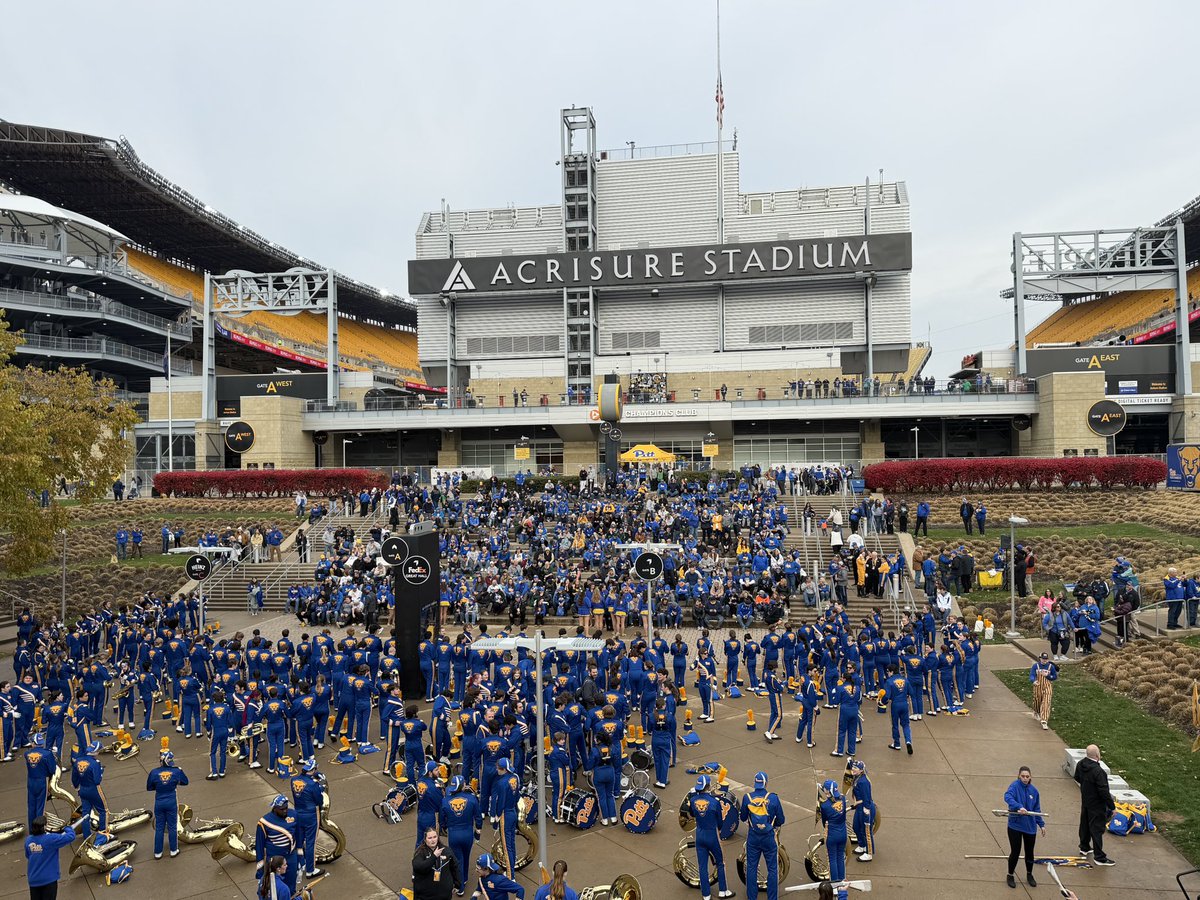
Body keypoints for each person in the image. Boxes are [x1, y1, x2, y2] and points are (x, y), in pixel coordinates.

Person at [687, 775, 735, 900]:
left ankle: (706, 895)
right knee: (720, 862)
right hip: (712, 836)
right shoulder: (715, 802)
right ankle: (723, 891)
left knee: (702, 866)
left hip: (700, 835)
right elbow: (720, 821)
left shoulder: (692, 800)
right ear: (708, 786)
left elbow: (692, 814)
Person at [740, 771, 785, 900]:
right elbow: (781, 819)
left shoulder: (747, 797)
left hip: (753, 837)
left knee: (751, 868)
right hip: (769, 837)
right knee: (772, 869)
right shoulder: (773, 798)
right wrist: (773, 826)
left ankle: (752, 897)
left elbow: (743, 817)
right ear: (766, 783)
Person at [1003, 766, 1045, 888]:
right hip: (1015, 826)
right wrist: (1018, 806)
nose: (1025, 779)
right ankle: (1010, 875)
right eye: (1023, 776)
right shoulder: (1014, 786)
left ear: (1030, 777)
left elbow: (1037, 809)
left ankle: (1029, 874)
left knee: (1029, 852)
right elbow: (1007, 797)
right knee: (1015, 852)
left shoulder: (1034, 791)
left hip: (1030, 827)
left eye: (1027, 776)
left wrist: (1041, 824)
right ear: (1019, 776)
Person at [1074, 744, 1116, 866]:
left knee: (1085, 824)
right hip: (1097, 805)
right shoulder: (1099, 772)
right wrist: (1112, 806)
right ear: (1097, 755)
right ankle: (1099, 857)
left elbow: (1077, 777)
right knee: (1097, 829)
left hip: (1086, 800)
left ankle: (1084, 846)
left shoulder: (1081, 764)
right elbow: (1104, 791)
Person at [146, 747, 189, 859]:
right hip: (171, 801)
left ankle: (158, 852)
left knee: (159, 827)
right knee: (172, 826)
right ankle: (173, 850)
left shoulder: (154, 772)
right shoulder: (176, 771)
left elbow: (149, 787)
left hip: (159, 801)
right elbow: (185, 782)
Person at [25, 815, 79, 900]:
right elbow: (71, 836)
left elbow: (28, 855)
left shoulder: (28, 840)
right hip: (48, 879)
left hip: (34, 879)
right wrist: (68, 828)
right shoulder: (51, 839)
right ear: (44, 827)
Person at [255, 794, 300, 895]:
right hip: (274, 860)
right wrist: (260, 871)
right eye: (282, 809)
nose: (285, 811)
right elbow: (259, 846)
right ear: (274, 808)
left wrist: (301, 857)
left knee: (291, 887)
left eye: (286, 808)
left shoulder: (293, 815)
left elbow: (299, 835)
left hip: (291, 857)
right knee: (275, 889)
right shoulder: (264, 822)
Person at [413, 825, 462, 900]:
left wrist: (457, 884)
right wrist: (434, 856)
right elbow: (419, 867)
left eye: (435, 837)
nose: (433, 840)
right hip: (426, 895)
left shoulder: (446, 851)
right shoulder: (420, 853)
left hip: (444, 894)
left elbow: (455, 867)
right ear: (425, 840)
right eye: (430, 838)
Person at [817, 779, 849, 884]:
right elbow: (834, 796)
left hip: (832, 834)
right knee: (840, 857)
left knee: (832, 859)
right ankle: (842, 880)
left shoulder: (824, 806)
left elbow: (824, 821)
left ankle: (835, 884)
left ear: (827, 792)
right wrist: (823, 788)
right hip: (843, 833)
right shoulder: (843, 799)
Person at [848, 760, 876, 863]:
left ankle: (869, 853)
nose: (853, 769)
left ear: (861, 770)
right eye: (853, 767)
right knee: (856, 827)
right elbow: (852, 765)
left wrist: (867, 808)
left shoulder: (863, 781)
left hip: (865, 807)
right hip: (859, 806)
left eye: (855, 768)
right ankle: (862, 845)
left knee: (866, 831)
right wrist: (850, 761)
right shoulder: (858, 776)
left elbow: (867, 796)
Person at [1029, 654, 1057, 730]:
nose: (1044, 660)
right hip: (1038, 686)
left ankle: (1044, 720)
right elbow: (1032, 675)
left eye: (1046, 659)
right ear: (1040, 658)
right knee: (1037, 700)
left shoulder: (1051, 667)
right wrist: (1033, 681)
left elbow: (1055, 676)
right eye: (1043, 659)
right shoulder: (1035, 666)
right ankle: (1036, 711)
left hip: (1047, 686)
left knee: (1046, 702)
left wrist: (1048, 676)